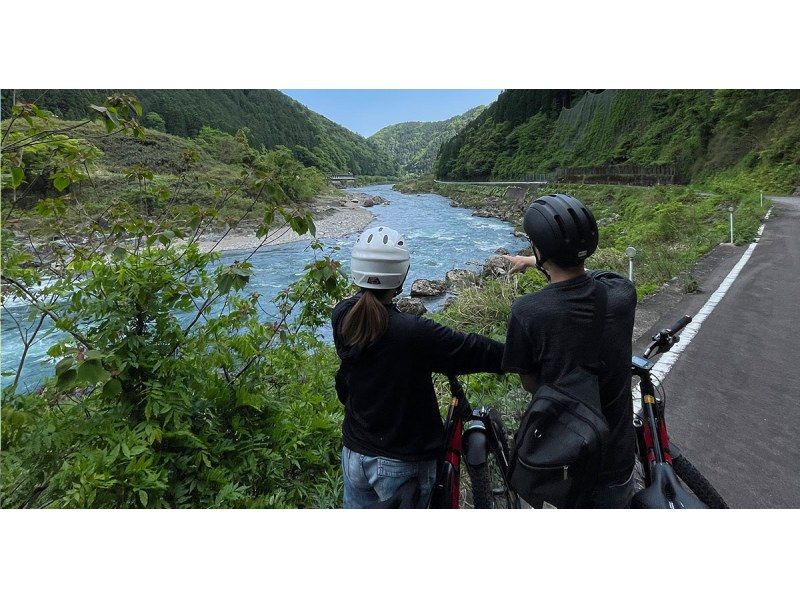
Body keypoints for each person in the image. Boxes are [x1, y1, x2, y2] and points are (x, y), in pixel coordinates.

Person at [332, 225, 504, 508]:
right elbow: (469, 349)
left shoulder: (343, 315)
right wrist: (517, 355)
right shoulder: (411, 331)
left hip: (355, 454)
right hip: (402, 462)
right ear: (401, 275)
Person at [502, 194, 638, 508]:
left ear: (539, 248)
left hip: (565, 460)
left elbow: (530, 382)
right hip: (617, 458)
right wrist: (538, 260)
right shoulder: (621, 293)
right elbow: (590, 275)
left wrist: (535, 261)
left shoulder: (528, 312)